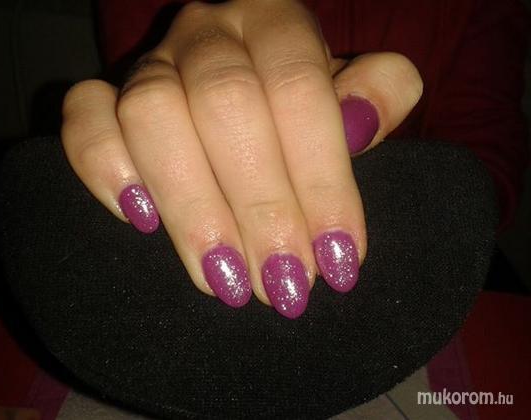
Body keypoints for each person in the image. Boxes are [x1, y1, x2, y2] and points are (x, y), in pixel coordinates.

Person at [61, 0, 530, 319]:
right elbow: (138, 135)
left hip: (435, 298)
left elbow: (489, 172)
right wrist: (140, 131)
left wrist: (376, 184)